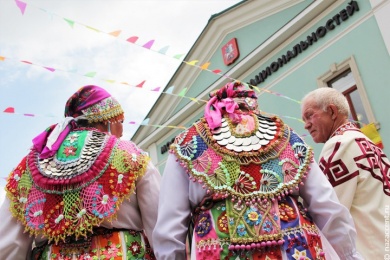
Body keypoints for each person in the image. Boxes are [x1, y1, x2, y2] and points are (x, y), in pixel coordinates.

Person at [153, 81, 362, 259]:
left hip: (218, 247)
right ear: (254, 105)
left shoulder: (188, 142)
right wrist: (349, 255)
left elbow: (169, 231)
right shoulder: (286, 137)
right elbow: (327, 206)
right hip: (296, 246)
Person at [0, 85, 161, 259]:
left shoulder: (30, 165)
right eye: (119, 121)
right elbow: (159, 224)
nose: (121, 130)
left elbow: (9, 244)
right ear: (107, 120)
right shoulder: (130, 153)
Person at [301, 87, 390, 259]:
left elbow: (327, 211)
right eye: (303, 119)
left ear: (332, 111)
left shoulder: (339, 145)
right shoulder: (367, 142)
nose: (306, 124)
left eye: (310, 115)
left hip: (369, 251)